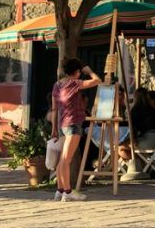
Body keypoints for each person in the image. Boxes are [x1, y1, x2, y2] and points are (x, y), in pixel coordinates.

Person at [50, 58, 101, 201]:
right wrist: (90, 71)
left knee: (62, 160)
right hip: (73, 124)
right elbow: (97, 81)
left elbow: (54, 109)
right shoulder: (74, 83)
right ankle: (68, 191)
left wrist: (54, 128)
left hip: (62, 124)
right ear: (77, 71)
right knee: (66, 160)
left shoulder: (57, 85)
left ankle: (60, 191)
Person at [118, 88, 155, 164]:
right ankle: (144, 163)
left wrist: (133, 138)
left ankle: (140, 163)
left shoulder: (136, 109)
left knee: (119, 148)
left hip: (148, 141)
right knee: (127, 145)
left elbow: (132, 126)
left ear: (136, 97)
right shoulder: (153, 109)